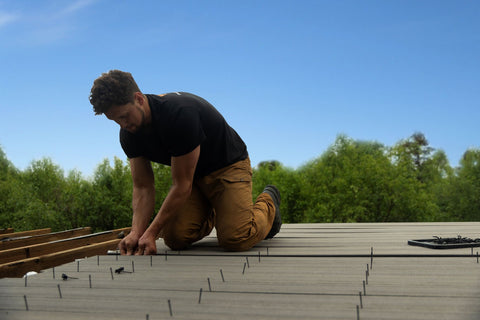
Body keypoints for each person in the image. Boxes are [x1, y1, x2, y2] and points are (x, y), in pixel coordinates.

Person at [89, 70, 281, 255]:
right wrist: (137, 232)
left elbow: (181, 186)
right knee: (174, 239)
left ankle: (269, 201)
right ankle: (220, 210)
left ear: (139, 99)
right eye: (115, 120)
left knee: (236, 238)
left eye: (124, 116)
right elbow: (143, 187)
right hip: (194, 177)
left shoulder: (178, 114)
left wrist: (151, 233)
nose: (123, 124)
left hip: (228, 167)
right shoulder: (129, 134)